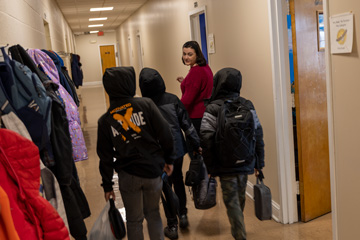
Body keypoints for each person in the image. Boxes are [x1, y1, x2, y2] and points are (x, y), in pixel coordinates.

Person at [97, 66, 175, 240]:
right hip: (152, 171)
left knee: (134, 220)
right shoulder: (146, 104)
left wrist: (107, 185)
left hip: (128, 175)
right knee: (153, 214)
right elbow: (166, 134)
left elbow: (105, 157)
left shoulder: (105, 120)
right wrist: (169, 160)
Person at [200, 68, 265, 240]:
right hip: (246, 160)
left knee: (231, 200)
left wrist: (210, 166)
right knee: (240, 196)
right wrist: (259, 162)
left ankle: (239, 234)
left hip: (224, 163)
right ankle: (239, 226)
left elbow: (205, 139)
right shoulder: (247, 105)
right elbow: (258, 134)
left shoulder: (213, 108)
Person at [139, 67, 201, 239]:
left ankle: (172, 224)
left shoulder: (142, 105)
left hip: (156, 154)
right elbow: (187, 125)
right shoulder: (173, 99)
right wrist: (196, 144)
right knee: (178, 179)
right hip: (176, 149)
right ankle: (183, 214)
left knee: (165, 186)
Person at [176, 40, 213, 135]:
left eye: (190, 54)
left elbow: (187, 100)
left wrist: (175, 111)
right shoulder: (205, 67)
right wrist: (185, 81)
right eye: (184, 54)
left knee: (195, 147)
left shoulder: (195, 72)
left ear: (197, 55)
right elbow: (199, 86)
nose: (186, 57)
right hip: (206, 113)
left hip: (196, 116)